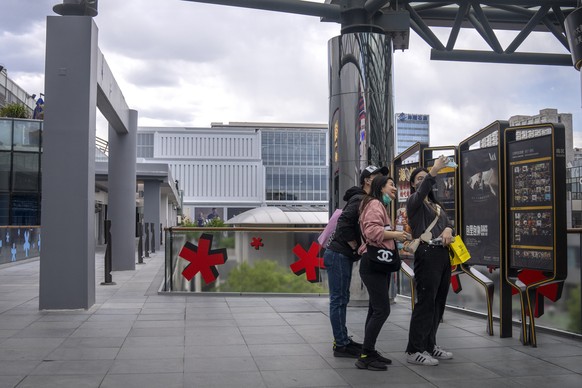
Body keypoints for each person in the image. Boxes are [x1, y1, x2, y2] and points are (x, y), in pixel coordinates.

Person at [323, 165, 388, 358]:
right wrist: (354, 247)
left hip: (340, 255)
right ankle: (341, 344)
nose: (382, 180)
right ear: (368, 180)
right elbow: (343, 224)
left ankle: (342, 339)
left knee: (342, 298)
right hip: (338, 254)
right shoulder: (360, 199)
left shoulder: (365, 199)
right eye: (377, 176)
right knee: (339, 300)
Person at [355, 175, 410, 371]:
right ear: (381, 187)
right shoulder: (375, 204)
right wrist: (397, 234)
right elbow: (372, 233)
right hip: (373, 264)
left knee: (374, 309)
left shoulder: (378, 205)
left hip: (378, 263)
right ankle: (365, 356)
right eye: (391, 185)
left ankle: (368, 351)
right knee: (382, 310)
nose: (395, 188)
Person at [405, 155, 455, 366]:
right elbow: (423, 190)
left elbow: (449, 224)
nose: (423, 180)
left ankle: (429, 344)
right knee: (425, 303)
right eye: (419, 179)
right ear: (414, 185)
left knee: (438, 303)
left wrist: (449, 228)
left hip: (443, 254)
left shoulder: (437, 206)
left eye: (424, 177)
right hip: (426, 254)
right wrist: (433, 172)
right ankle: (414, 349)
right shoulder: (414, 203)